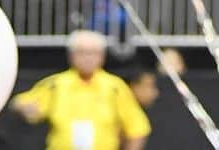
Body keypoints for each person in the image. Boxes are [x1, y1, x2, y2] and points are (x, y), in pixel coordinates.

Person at [11, 28, 150, 150]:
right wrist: (24, 108)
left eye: (93, 53)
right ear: (71, 55)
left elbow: (137, 127)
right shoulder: (56, 84)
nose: (88, 58)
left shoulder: (114, 87)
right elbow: (21, 103)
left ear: (102, 56)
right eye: (82, 52)